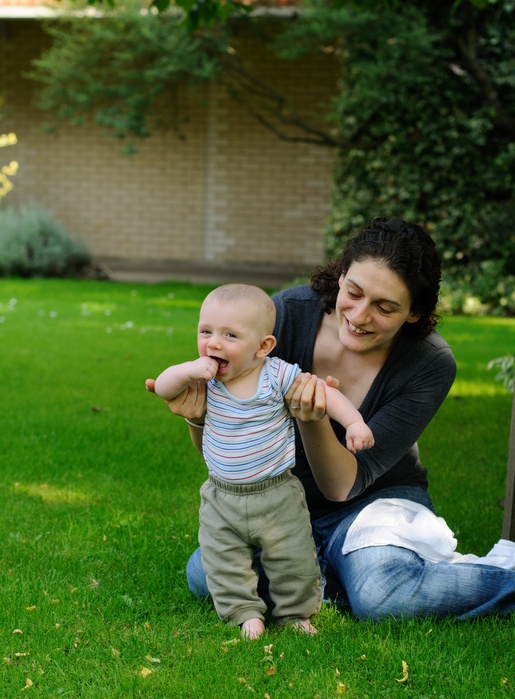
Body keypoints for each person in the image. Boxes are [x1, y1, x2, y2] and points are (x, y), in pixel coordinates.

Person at [150, 216, 515, 621]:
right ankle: (338, 572)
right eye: (353, 292)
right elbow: (228, 457)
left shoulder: (429, 363)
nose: (359, 315)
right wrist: (198, 419)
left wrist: (313, 420)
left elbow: (342, 486)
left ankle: (495, 576)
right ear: (340, 277)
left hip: (372, 502)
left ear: (413, 312)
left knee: (381, 596)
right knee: (205, 575)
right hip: (278, 503)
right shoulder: (283, 316)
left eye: (384, 307)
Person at [148, 283, 374, 638]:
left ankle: (296, 614)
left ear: (263, 346)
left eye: (230, 335)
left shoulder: (276, 375)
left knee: (292, 558)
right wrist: (188, 371)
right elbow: (163, 387)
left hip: (276, 494)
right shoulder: (205, 380)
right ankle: (245, 613)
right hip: (222, 497)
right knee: (223, 561)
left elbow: (325, 394)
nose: (213, 343)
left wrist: (354, 423)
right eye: (206, 332)